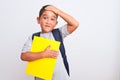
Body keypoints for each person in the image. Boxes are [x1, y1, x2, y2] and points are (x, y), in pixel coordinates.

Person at [21, 5, 79, 80]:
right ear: (38, 20)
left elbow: (75, 24)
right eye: (45, 18)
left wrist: (58, 11)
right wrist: (43, 54)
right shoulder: (33, 37)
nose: (48, 21)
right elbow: (23, 56)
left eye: (52, 19)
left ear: (56, 23)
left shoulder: (58, 33)